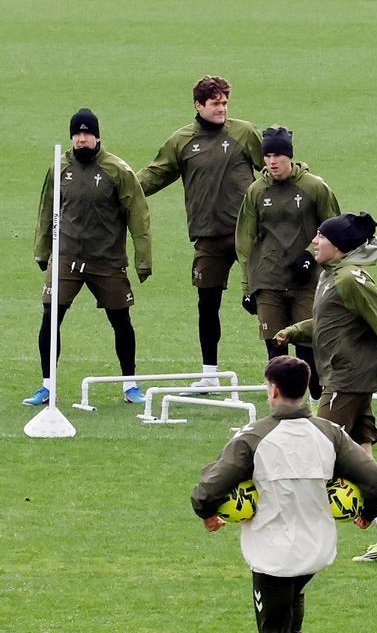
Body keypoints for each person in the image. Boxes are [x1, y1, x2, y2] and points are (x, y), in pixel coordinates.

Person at [191, 355, 377, 633]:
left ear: (273, 390)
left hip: (272, 555)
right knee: (293, 616)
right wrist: (367, 512)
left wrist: (208, 514)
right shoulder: (329, 433)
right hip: (315, 550)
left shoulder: (253, 436)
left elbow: (207, 489)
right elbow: (373, 477)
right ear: (306, 388)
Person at [275, 212, 377, 563]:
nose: (314, 241)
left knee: (314, 453)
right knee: (366, 462)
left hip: (347, 381)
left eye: (320, 237)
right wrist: (293, 332)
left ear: (337, 245)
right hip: (344, 379)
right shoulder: (330, 276)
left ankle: (299, 543)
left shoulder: (352, 280)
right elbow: (328, 321)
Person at [137, 75, 264, 390]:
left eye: (225, 102)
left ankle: (279, 373)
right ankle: (209, 374)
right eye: (215, 103)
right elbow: (155, 175)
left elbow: (272, 168)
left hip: (248, 235)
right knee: (207, 304)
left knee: (267, 299)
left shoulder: (244, 133)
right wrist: (119, 189)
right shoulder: (181, 141)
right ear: (198, 105)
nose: (221, 109)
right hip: (207, 238)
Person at [25, 108, 152, 406]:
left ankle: (129, 384)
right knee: (50, 316)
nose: (82, 139)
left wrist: (143, 258)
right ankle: (47, 385)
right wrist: (43, 251)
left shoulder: (117, 170)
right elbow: (47, 210)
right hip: (66, 257)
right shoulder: (59, 167)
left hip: (106, 261)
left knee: (120, 320)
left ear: (97, 136)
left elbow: (138, 215)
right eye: (78, 134)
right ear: (71, 136)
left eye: (88, 134)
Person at [237, 126, 339, 400]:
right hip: (268, 280)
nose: (272, 161)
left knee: (307, 345)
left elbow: (333, 228)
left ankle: (317, 402)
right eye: (267, 155)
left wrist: (309, 253)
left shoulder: (314, 187)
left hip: (306, 282)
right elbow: (245, 240)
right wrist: (248, 288)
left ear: (289, 157)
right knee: (275, 348)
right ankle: (280, 409)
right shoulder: (256, 191)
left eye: (278, 155)